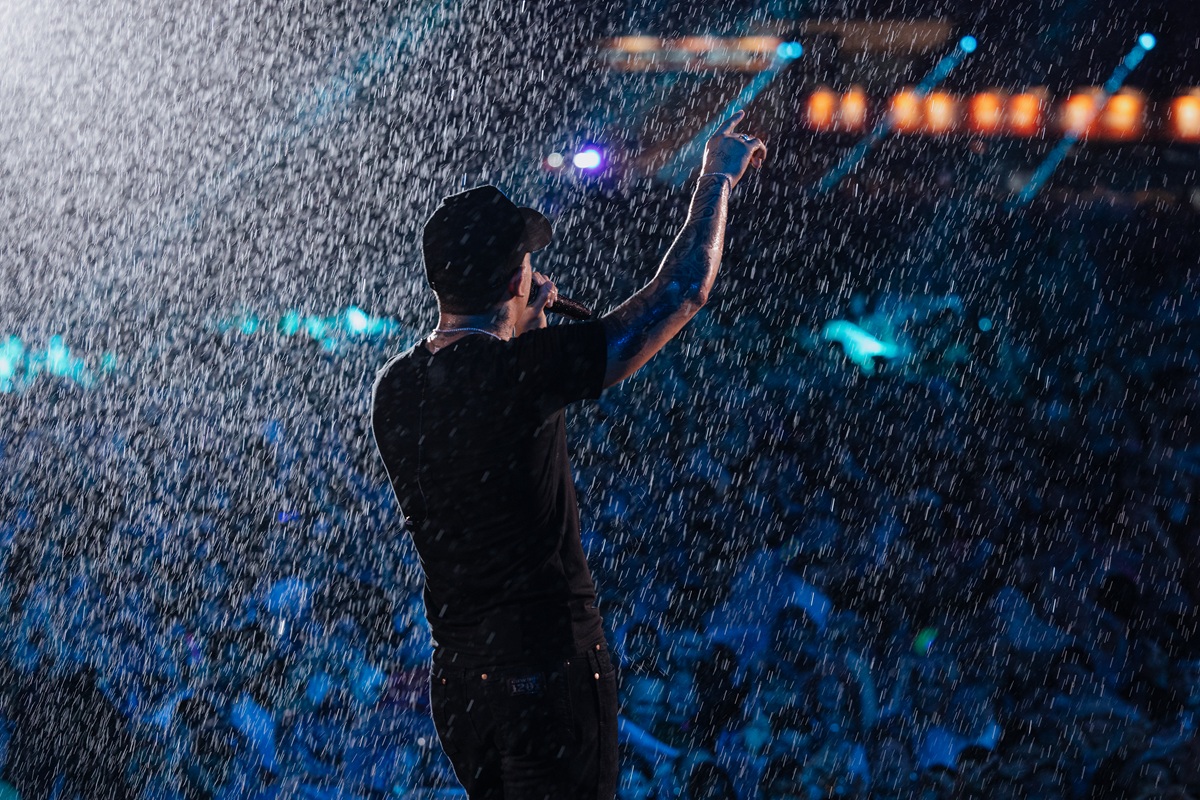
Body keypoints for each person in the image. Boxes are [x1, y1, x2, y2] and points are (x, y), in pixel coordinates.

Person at [370, 110, 767, 799]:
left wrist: (525, 329)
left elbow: (482, 406)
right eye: (527, 264)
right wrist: (714, 180)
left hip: (463, 681)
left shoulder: (395, 386)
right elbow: (683, 292)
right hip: (545, 674)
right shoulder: (522, 375)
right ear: (512, 281)